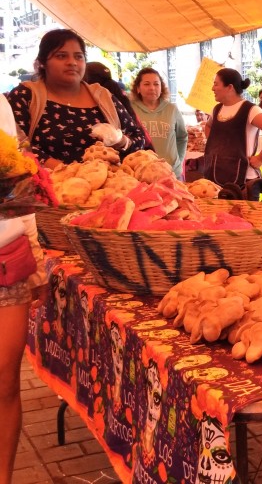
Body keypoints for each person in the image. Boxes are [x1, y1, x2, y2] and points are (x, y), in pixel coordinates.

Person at [6, 29, 147, 168]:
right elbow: (15, 146)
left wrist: (120, 140)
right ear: (42, 62)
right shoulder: (25, 95)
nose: (72, 62)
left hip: (107, 186)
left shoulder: (103, 96)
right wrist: (70, 172)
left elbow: (138, 139)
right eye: (61, 56)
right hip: (48, 186)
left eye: (79, 56)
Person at [0, 93, 45, 483]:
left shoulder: (0, 103)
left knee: (4, 381)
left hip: (6, 259)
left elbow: (19, 187)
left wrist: (36, 254)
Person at [203, 68, 262, 200]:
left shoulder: (250, 109)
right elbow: (208, 126)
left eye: (216, 84)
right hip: (216, 178)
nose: (212, 88)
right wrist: (215, 147)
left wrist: (260, 158)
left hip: (244, 181)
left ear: (229, 87)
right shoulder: (217, 109)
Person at [130, 67, 188, 179]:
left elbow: (182, 137)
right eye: (146, 84)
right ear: (138, 88)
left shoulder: (172, 109)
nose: (152, 88)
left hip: (171, 173)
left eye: (156, 84)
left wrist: (179, 161)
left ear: (161, 88)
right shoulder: (130, 110)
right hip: (141, 175)